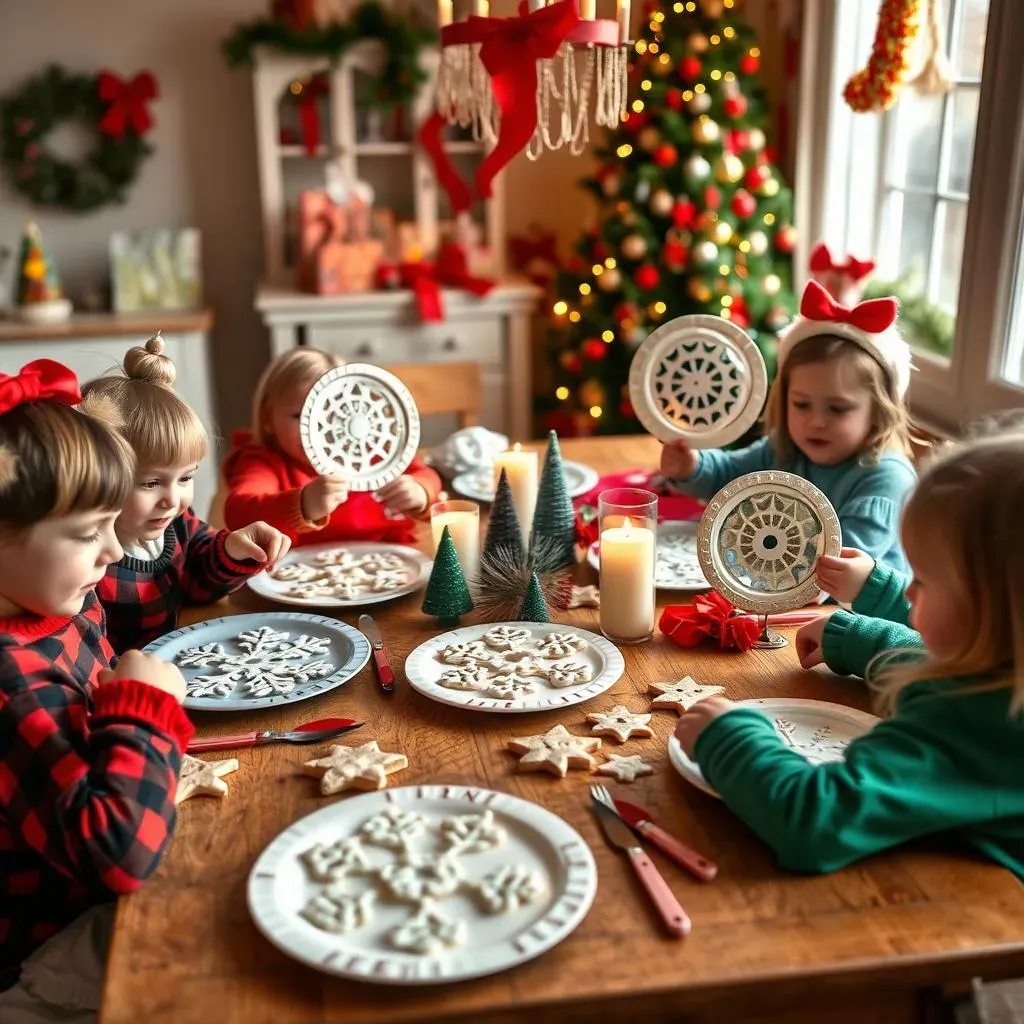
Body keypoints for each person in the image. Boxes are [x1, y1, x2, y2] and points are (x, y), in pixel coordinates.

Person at [673, 430, 1024, 877]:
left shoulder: (964, 723)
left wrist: (729, 737)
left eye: (925, 580)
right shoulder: (1002, 674)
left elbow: (814, 820)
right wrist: (865, 638)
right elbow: (949, 665)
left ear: (995, 611)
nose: (909, 591)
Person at [0, 359, 192, 1018]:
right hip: (48, 946)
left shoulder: (62, 603)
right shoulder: (13, 686)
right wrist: (146, 710)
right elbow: (118, 855)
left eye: (113, 524)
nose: (114, 553)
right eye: (88, 534)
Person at [659, 280, 916, 576]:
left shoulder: (886, 479)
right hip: (777, 591)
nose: (816, 421)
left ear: (878, 413)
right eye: (801, 405)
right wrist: (692, 466)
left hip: (853, 614)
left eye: (838, 409)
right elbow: (727, 477)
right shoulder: (784, 449)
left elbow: (833, 567)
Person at [82, 336, 289, 652]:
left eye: (185, 478)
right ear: (98, 477)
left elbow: (199, 582)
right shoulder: (88, 565)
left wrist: (233, 549)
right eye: (151, 483)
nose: (172, 499)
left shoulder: (176, 524)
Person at [222, 348, 442, 545]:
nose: (317, 430)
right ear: (268, 419)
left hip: (389, 568)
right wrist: (302, 505)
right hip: (304, 580)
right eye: (300, 416)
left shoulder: (371, 452)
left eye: (334, 414)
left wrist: (419, 492)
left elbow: (427, 476)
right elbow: (238, 513)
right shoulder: (265, 462)